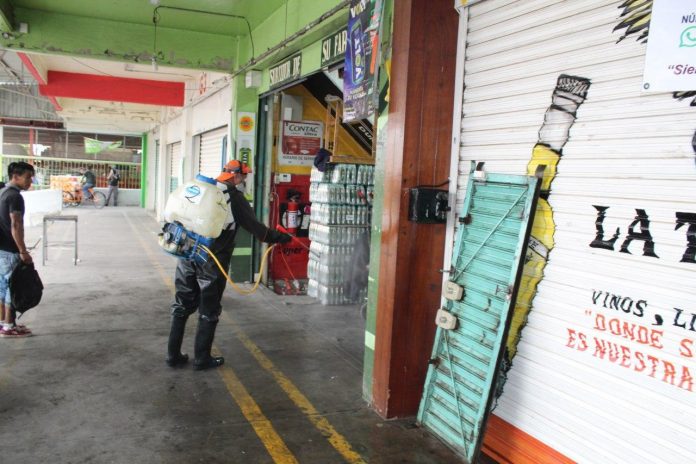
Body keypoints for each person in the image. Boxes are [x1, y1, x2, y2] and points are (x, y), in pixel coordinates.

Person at [166, 160, 292, 370]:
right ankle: (202, 358)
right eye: (244, 176)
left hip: (187, 254)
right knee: (209, 310)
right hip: (212, 261)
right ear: (237, 176)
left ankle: (172, 355)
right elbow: (259, 230)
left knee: (181, 305)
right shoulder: (234, 197)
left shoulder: (204, 190)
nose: (245, 180)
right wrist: (282, 237)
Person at [0, 162, 34, 338]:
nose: (30, 181)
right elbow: (16, 224)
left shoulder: (3, 192)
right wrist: (23, 250)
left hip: (1, 249)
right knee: (13, 289)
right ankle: (8, 326)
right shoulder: (14, 197)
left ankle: (4, 324)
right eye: (28, 177)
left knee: (3, 288)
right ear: (16, 176)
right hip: (10, 250)